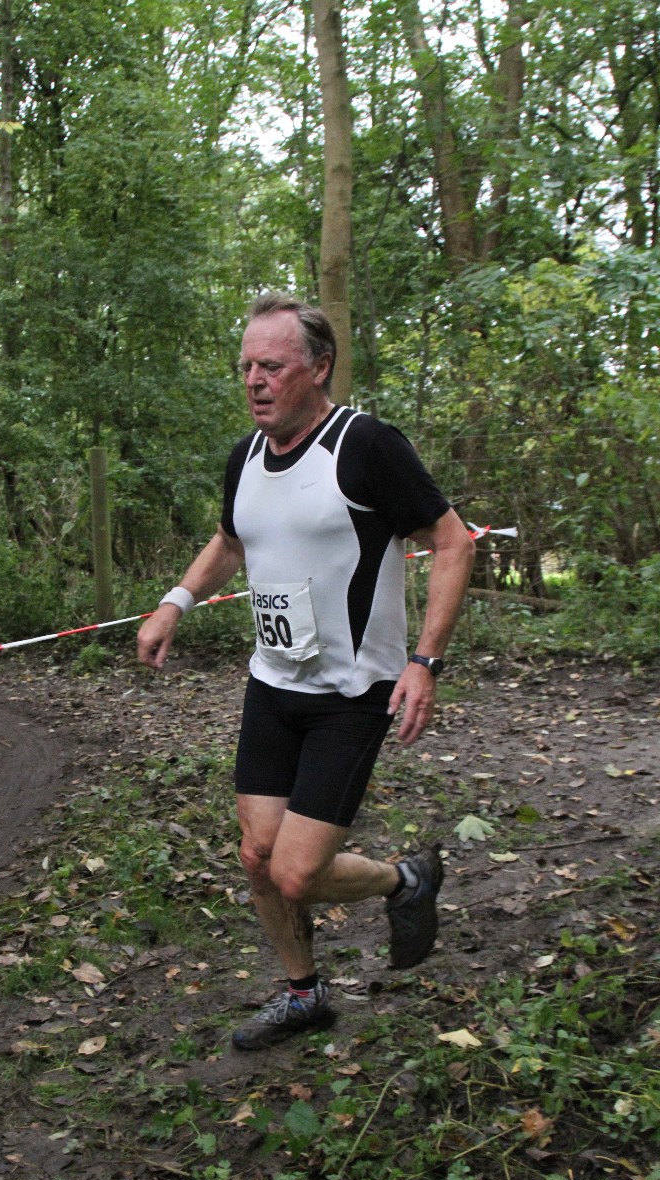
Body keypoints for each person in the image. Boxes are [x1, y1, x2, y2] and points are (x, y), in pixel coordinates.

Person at [138, 292, 476, 1050]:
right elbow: (232, 540)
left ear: (319, 368)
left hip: (352, 694)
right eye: (245, 367)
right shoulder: (246, 456)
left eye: (272, 366)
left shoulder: (366, 445)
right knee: (257, 858)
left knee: (296, 873)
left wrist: (424, 662)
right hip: (272, 685)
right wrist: (174, 604)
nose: (254, 381)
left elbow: (453, 542)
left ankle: (403, 879)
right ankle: (304, 995)